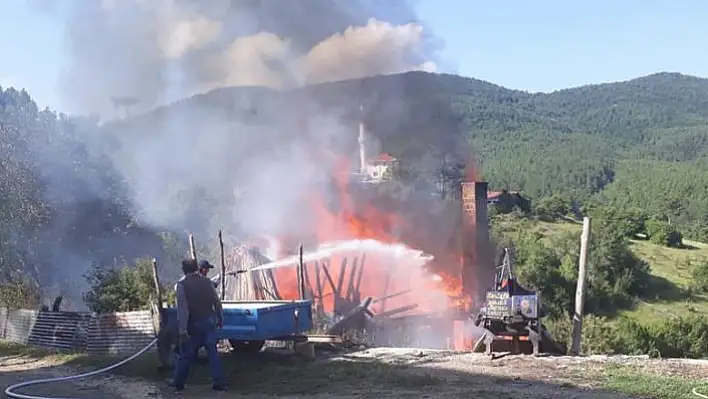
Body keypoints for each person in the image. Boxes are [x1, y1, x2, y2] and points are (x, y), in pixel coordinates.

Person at [170, 258, 225, 392]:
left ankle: (178, 382)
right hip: (209, 322)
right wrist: (220, 317)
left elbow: (183, 310)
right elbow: (216, 301)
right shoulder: (207, 282)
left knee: (186, 354)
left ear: (183, 269)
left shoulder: (182, 285)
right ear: (196, 268)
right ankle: (218, 382)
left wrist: (182, 330)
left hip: (194, 325)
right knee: (213, 354)